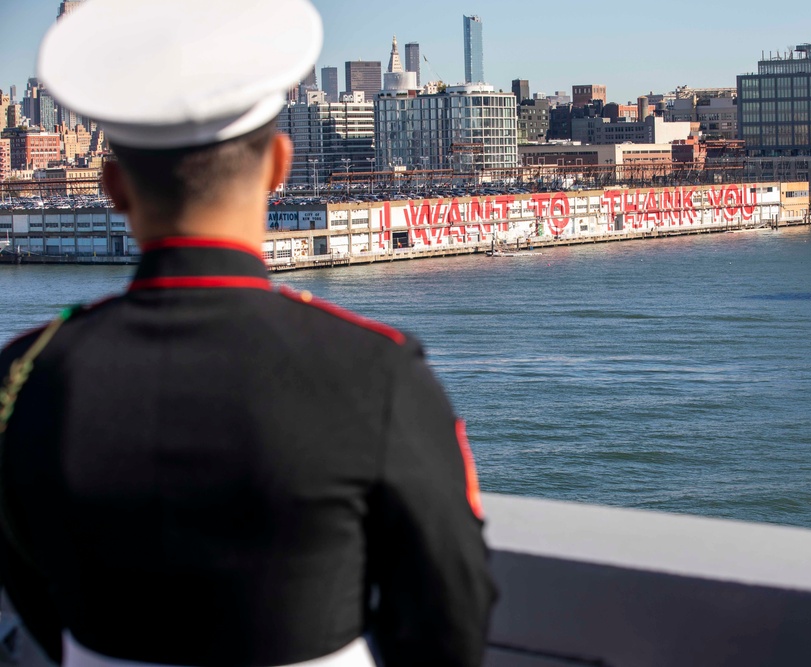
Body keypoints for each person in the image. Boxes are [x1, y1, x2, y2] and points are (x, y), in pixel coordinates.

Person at [0, 1, 496, 666]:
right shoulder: (375, 373)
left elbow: (29, 584)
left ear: (115, 187)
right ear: (278, 166)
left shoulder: (24, 379)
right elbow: (452, 610)